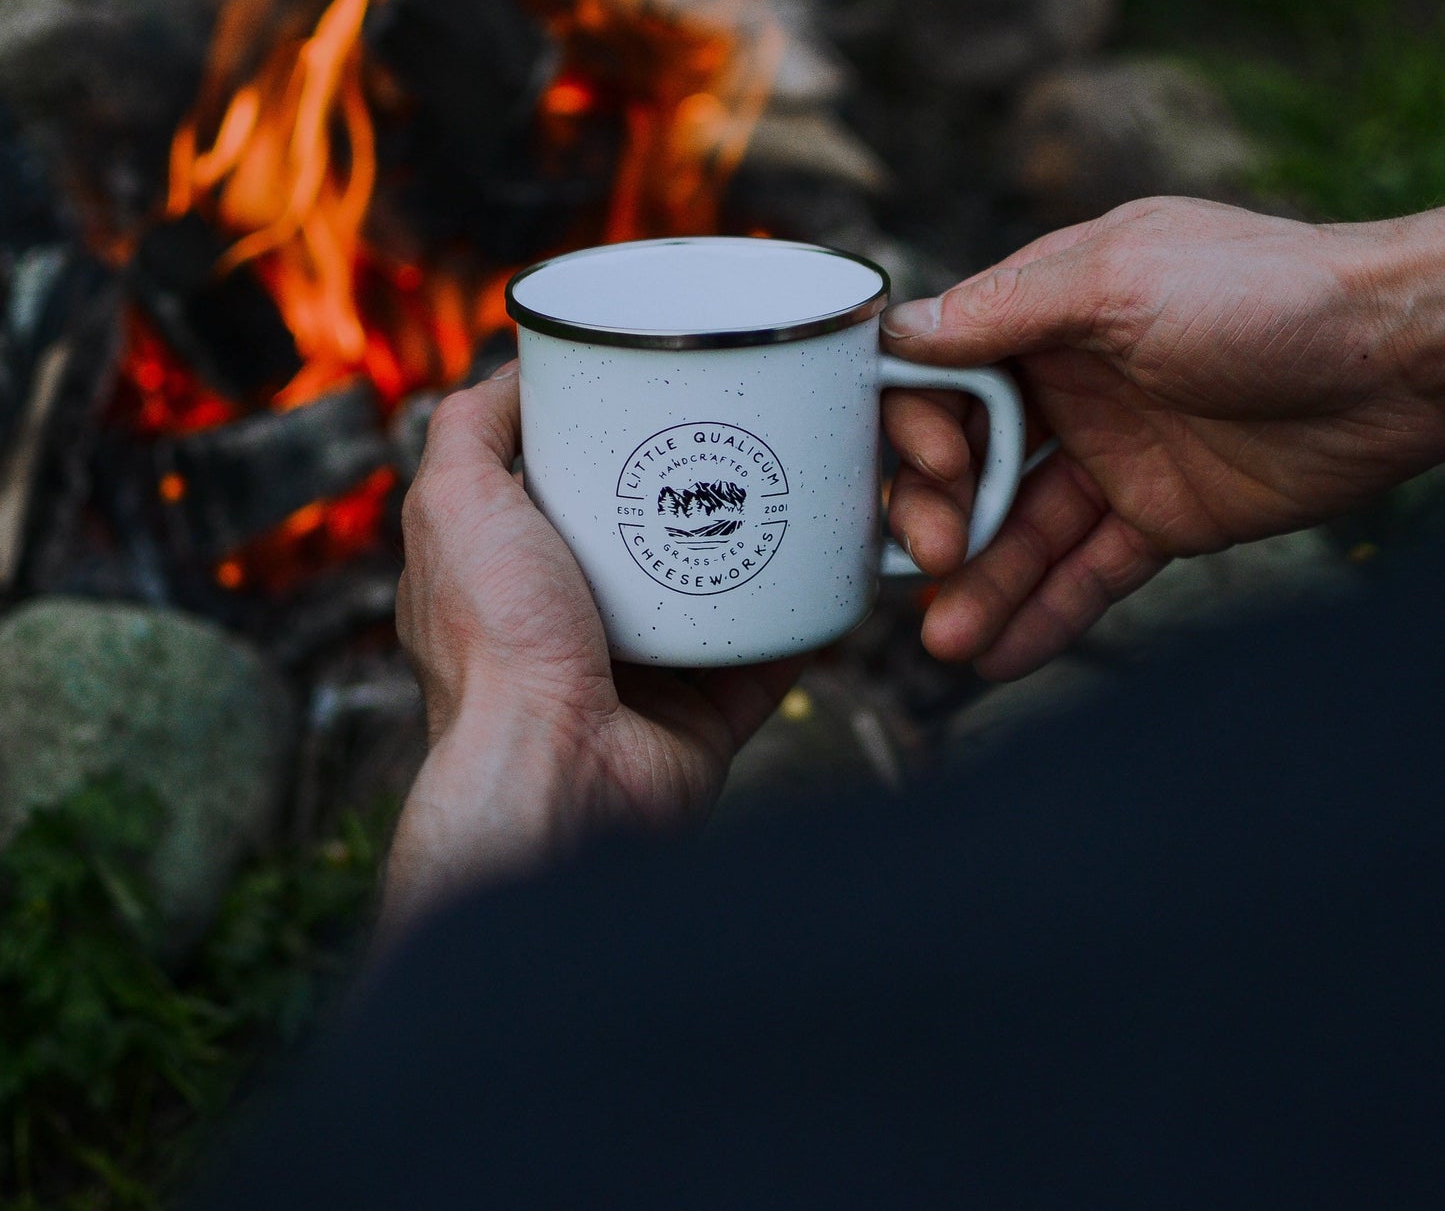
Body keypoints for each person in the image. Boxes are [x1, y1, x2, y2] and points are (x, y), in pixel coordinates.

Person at [197, 198, 1445, 1206]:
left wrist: (517, 768)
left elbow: (435, 1143)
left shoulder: (528, 1089)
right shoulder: (1314, 809)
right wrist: (1387, 327)